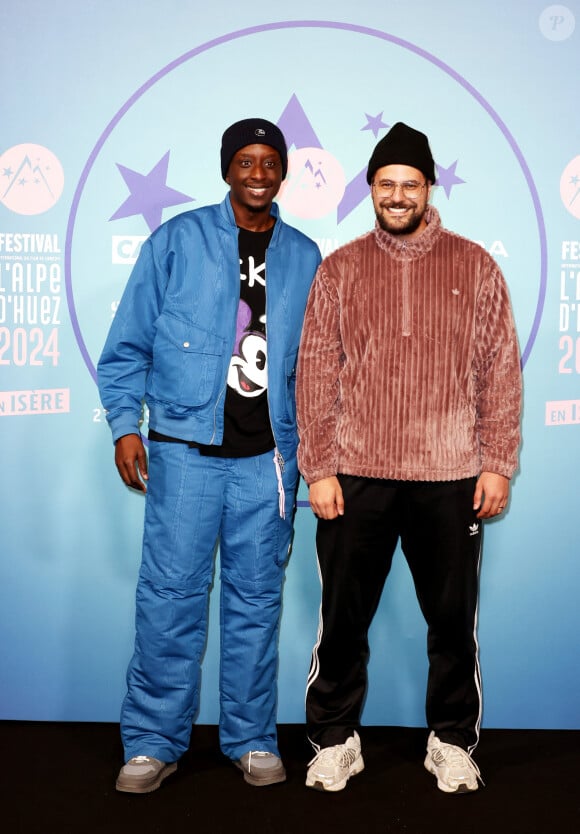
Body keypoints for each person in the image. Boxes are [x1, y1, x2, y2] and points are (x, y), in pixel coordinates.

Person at [296, 122, 522, 794]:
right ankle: (334, 740)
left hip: (451, 477)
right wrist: (321, 467)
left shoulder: (475, 265)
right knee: (341, 625)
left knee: (453, 626)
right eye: (386, 184)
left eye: (410, 184)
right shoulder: (339, 269)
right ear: (371, 189)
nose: (398, 196)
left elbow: (500, 372)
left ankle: (451, 742)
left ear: (429, 189)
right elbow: (314, 370)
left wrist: (497, 461)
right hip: (356, 476)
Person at [98, 118, 321, 793]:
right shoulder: (177, 241)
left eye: (269, 162)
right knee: (169, 598)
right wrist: (123, 426)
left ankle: (251, 739)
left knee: (256, 604)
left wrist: (314, 448)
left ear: (281, 172)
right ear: (228, 169)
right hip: (185, 454)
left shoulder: (306, 255)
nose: (258, 173)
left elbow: (320, 365)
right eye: (245, 161)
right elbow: (127, 345)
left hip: (269, 463)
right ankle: (151, 742)